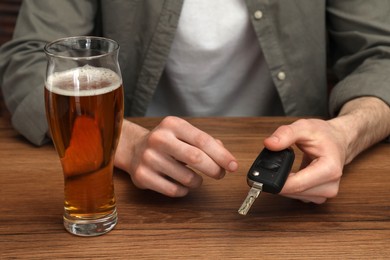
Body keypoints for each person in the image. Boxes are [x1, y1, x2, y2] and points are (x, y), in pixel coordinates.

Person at [1, 1, 389, 204]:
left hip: (295, 180)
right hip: (132, 181)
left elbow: (382, 54)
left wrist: (346, 134)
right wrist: (126, 143)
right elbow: (27, 61)